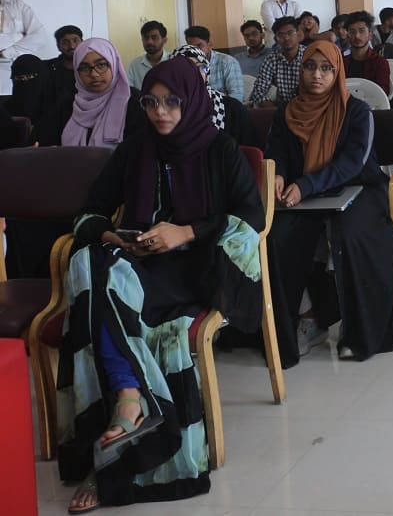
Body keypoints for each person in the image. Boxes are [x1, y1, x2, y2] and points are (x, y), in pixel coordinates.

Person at [59, 57, 264, 512]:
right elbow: (89, 213)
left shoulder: (221, 149)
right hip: (134, 265)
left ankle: (123, 418)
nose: (160, 112)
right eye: (150, 103)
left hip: (194, 269)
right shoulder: (136, 149)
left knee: (99, 292)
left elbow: (251, 217)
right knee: (93, 262)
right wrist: (114, 237)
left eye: (172, 101)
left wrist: (185, 232)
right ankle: (129, 400)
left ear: (191, 100)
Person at [265, 41, 393, 366]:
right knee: (277, 238)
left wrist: (306, 185)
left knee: (353, 236)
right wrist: (278, 174)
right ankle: (304, 320)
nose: (317, 75)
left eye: (326, 68)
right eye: (310, 67)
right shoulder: (288, 111)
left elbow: (353, 163)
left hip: (359, 188)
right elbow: (276, 151)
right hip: (303, 193)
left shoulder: (356, 111)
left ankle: (359, 331)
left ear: (338, 72)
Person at [62, 38, 146, 148]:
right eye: (85, 68)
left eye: (101, 65)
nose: (94, 74)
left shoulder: (136, 103)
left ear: (114, 64)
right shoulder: (68, 108)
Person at [174, 44, 257, 147]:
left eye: (201, 67)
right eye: (188, 68)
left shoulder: (232, 108)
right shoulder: (167, 109)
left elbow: (250, 151)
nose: (196, 73)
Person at [248, 17, 307, 107]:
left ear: (298, 34)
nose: (286, 38)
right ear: (276, 39)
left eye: (290, 33)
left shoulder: (309, 55)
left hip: (307, 107)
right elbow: (257, 92)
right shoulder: (271, 60)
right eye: (281, 35)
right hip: (281, 109)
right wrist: (275, 109)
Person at [9, 54, 64, 146]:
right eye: (19, 78)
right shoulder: (7, 111)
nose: (24, 82)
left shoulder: (61, 107)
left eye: (30, 77)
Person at [183, 25, 245, 101]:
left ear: (209, 45)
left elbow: (237, 97)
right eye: (191, 47)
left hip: (224, 106)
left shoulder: (228, 62)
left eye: (199, 46)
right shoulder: (186, 65)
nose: (195, 51)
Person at [343, 10, 392, 96]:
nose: (357, 36)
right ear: (347, 36)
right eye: (352, 32)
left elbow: (382, 94)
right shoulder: (341, 62)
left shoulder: (380, 63)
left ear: (370, 35)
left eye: (362, 31)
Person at [126, 21, 169, 89]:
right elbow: (129, 89)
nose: (149, 42)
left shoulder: (172, 61)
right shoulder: (135, 65)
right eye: (146, 38)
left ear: (164, 40)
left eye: (154, 38)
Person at [46, 24, 83, 103]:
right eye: (65, 42)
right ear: (58, 46)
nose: (72, 46)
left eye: (75, 41)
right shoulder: (47, 68)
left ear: (83, 42)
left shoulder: (92, 68)